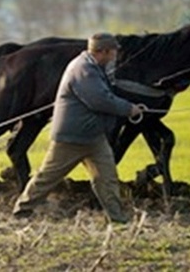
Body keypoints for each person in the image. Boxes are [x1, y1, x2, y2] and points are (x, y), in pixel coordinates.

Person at [12, 33, 144, 224]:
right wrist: (129, 109)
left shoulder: (94, 66)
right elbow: (100, 100)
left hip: (94, 137)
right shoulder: (83, 70)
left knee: (107, 179)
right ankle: (21, 211)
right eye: (113, 50)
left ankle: (117, 218)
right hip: (71, 138)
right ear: (103, 51)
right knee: (47, 178)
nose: (116, 53)